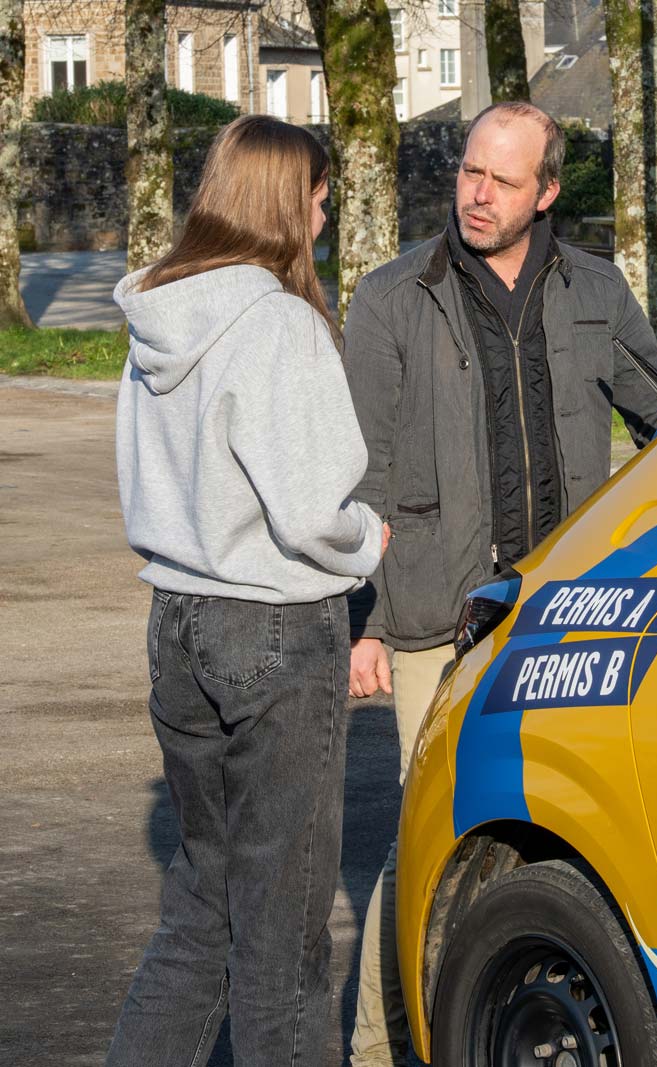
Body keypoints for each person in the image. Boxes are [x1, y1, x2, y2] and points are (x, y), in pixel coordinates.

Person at [342, 100, 657, 1066]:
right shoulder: (393, 296)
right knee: (427, 840)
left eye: (503, 180)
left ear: (548, 193)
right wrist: (362, 620)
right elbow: (361, 475)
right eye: (469, 173)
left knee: (554, 831)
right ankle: (380, 1047)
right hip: (436, 618)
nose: (478, 195)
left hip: (564, 617)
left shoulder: (596, 290)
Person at [106, 114, 389, 1067]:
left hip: (176, 622)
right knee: (283, 943)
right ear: (282, 201)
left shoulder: (157, 315)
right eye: (317, 197)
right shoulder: (278, 323)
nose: (323, 216)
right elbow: (314, 511)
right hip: (272, 628)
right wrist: (371, 538)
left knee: (201, 913)